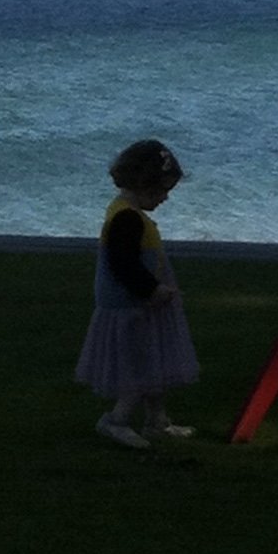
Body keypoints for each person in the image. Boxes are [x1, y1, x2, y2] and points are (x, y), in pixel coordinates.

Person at [76, 138, 200, 449]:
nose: (164, 198)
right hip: (133, 305)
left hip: (142, 304)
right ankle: (116, 419)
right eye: (161, 191)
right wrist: (152, 290)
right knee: (140, 368)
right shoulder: (127, 219)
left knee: (152, 361)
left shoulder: (127, 213)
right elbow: (123, 263)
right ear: (144, 184)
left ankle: (157, 420)